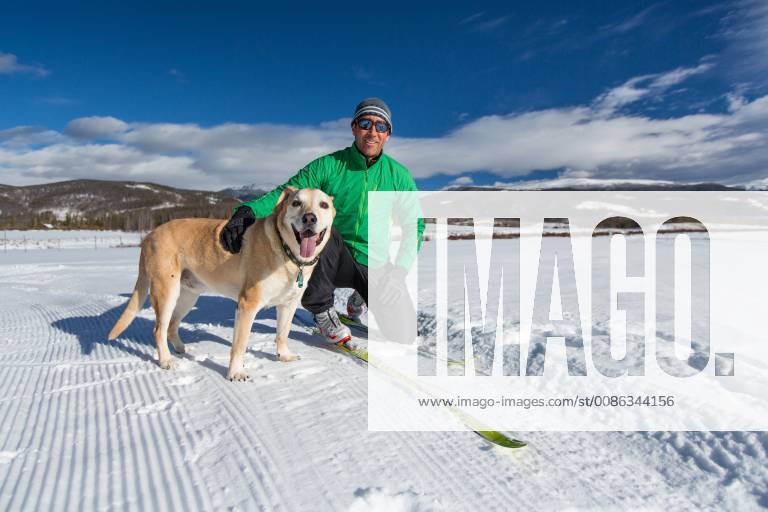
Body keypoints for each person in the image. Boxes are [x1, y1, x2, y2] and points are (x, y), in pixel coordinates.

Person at [220, 98, 424, 346]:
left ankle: (359, 296)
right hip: (332, 256)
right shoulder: (329, 166)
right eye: (365, 123)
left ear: (388, 134)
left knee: (404, 333)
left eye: (380, 126)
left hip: (373, 261)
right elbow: (286, 192)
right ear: (354, 127)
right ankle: (322, 311)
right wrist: (248, 210)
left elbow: (415, 226)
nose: (372, 132)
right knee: (321, 233)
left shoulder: (399, 177)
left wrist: (399, 272)